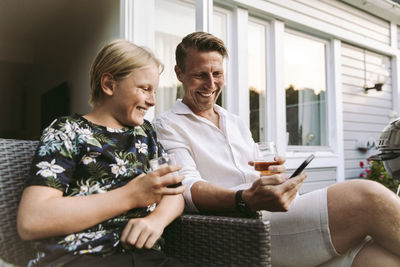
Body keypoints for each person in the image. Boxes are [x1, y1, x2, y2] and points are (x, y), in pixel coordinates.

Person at [153, 32, 400, 266]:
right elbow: (186, 188)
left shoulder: (234, 121)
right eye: (200, 75)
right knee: (367, 196)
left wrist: (274, 175)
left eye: (217, 73)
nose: (210, 84)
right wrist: (245, 199)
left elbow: (258, 173)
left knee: (382, 257)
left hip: (280, 218)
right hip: (243, 228)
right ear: (179, 73)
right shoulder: (168, 125)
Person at [17, 39, 189, 267]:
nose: (152, 101)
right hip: (77, 258)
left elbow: (175, 193)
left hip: (146, 258)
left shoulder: (145, 133)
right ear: (109, 84)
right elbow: (32, 220)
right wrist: (131, 195)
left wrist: (157, 220)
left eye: (155, 91)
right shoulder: (68, 130)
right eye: (144, 89)